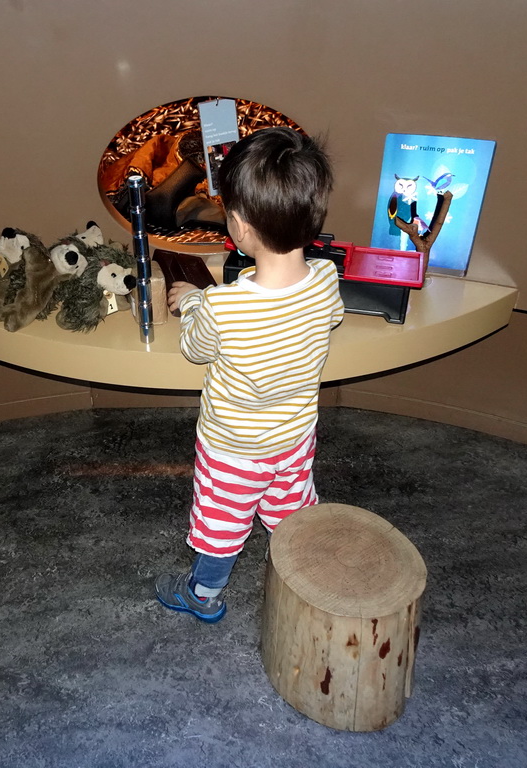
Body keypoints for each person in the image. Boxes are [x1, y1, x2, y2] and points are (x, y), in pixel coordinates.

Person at [154, 127, 345, 623]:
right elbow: (331, 317)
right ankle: (302, 582)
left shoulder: (224, 306)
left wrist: (192, 301)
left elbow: (196, 349)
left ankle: (203, 595)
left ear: (237, 227)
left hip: (234, 448)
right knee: (290, 514)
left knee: (222, 525)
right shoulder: (326, 279)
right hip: (294, 437)